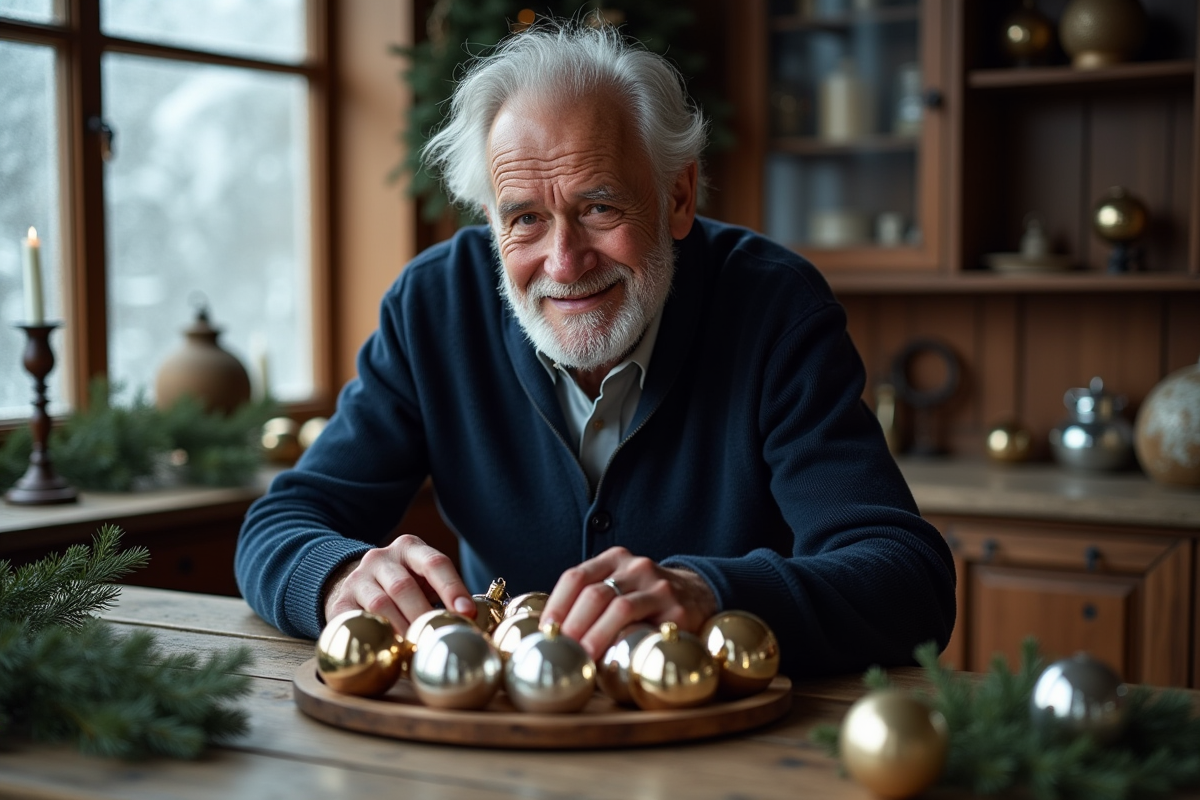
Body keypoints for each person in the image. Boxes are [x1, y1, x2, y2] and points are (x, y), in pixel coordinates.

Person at [235, 19, 955, 680]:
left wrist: (709, 593)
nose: (564, 262)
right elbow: (278, 525)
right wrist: (341, 577)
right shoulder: (432, 306)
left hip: (717, 736)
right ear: (490, 219)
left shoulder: (775, 309)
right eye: (524, 218)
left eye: (599, 207)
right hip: (488, 733)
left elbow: (908, 580)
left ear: (678, 197)